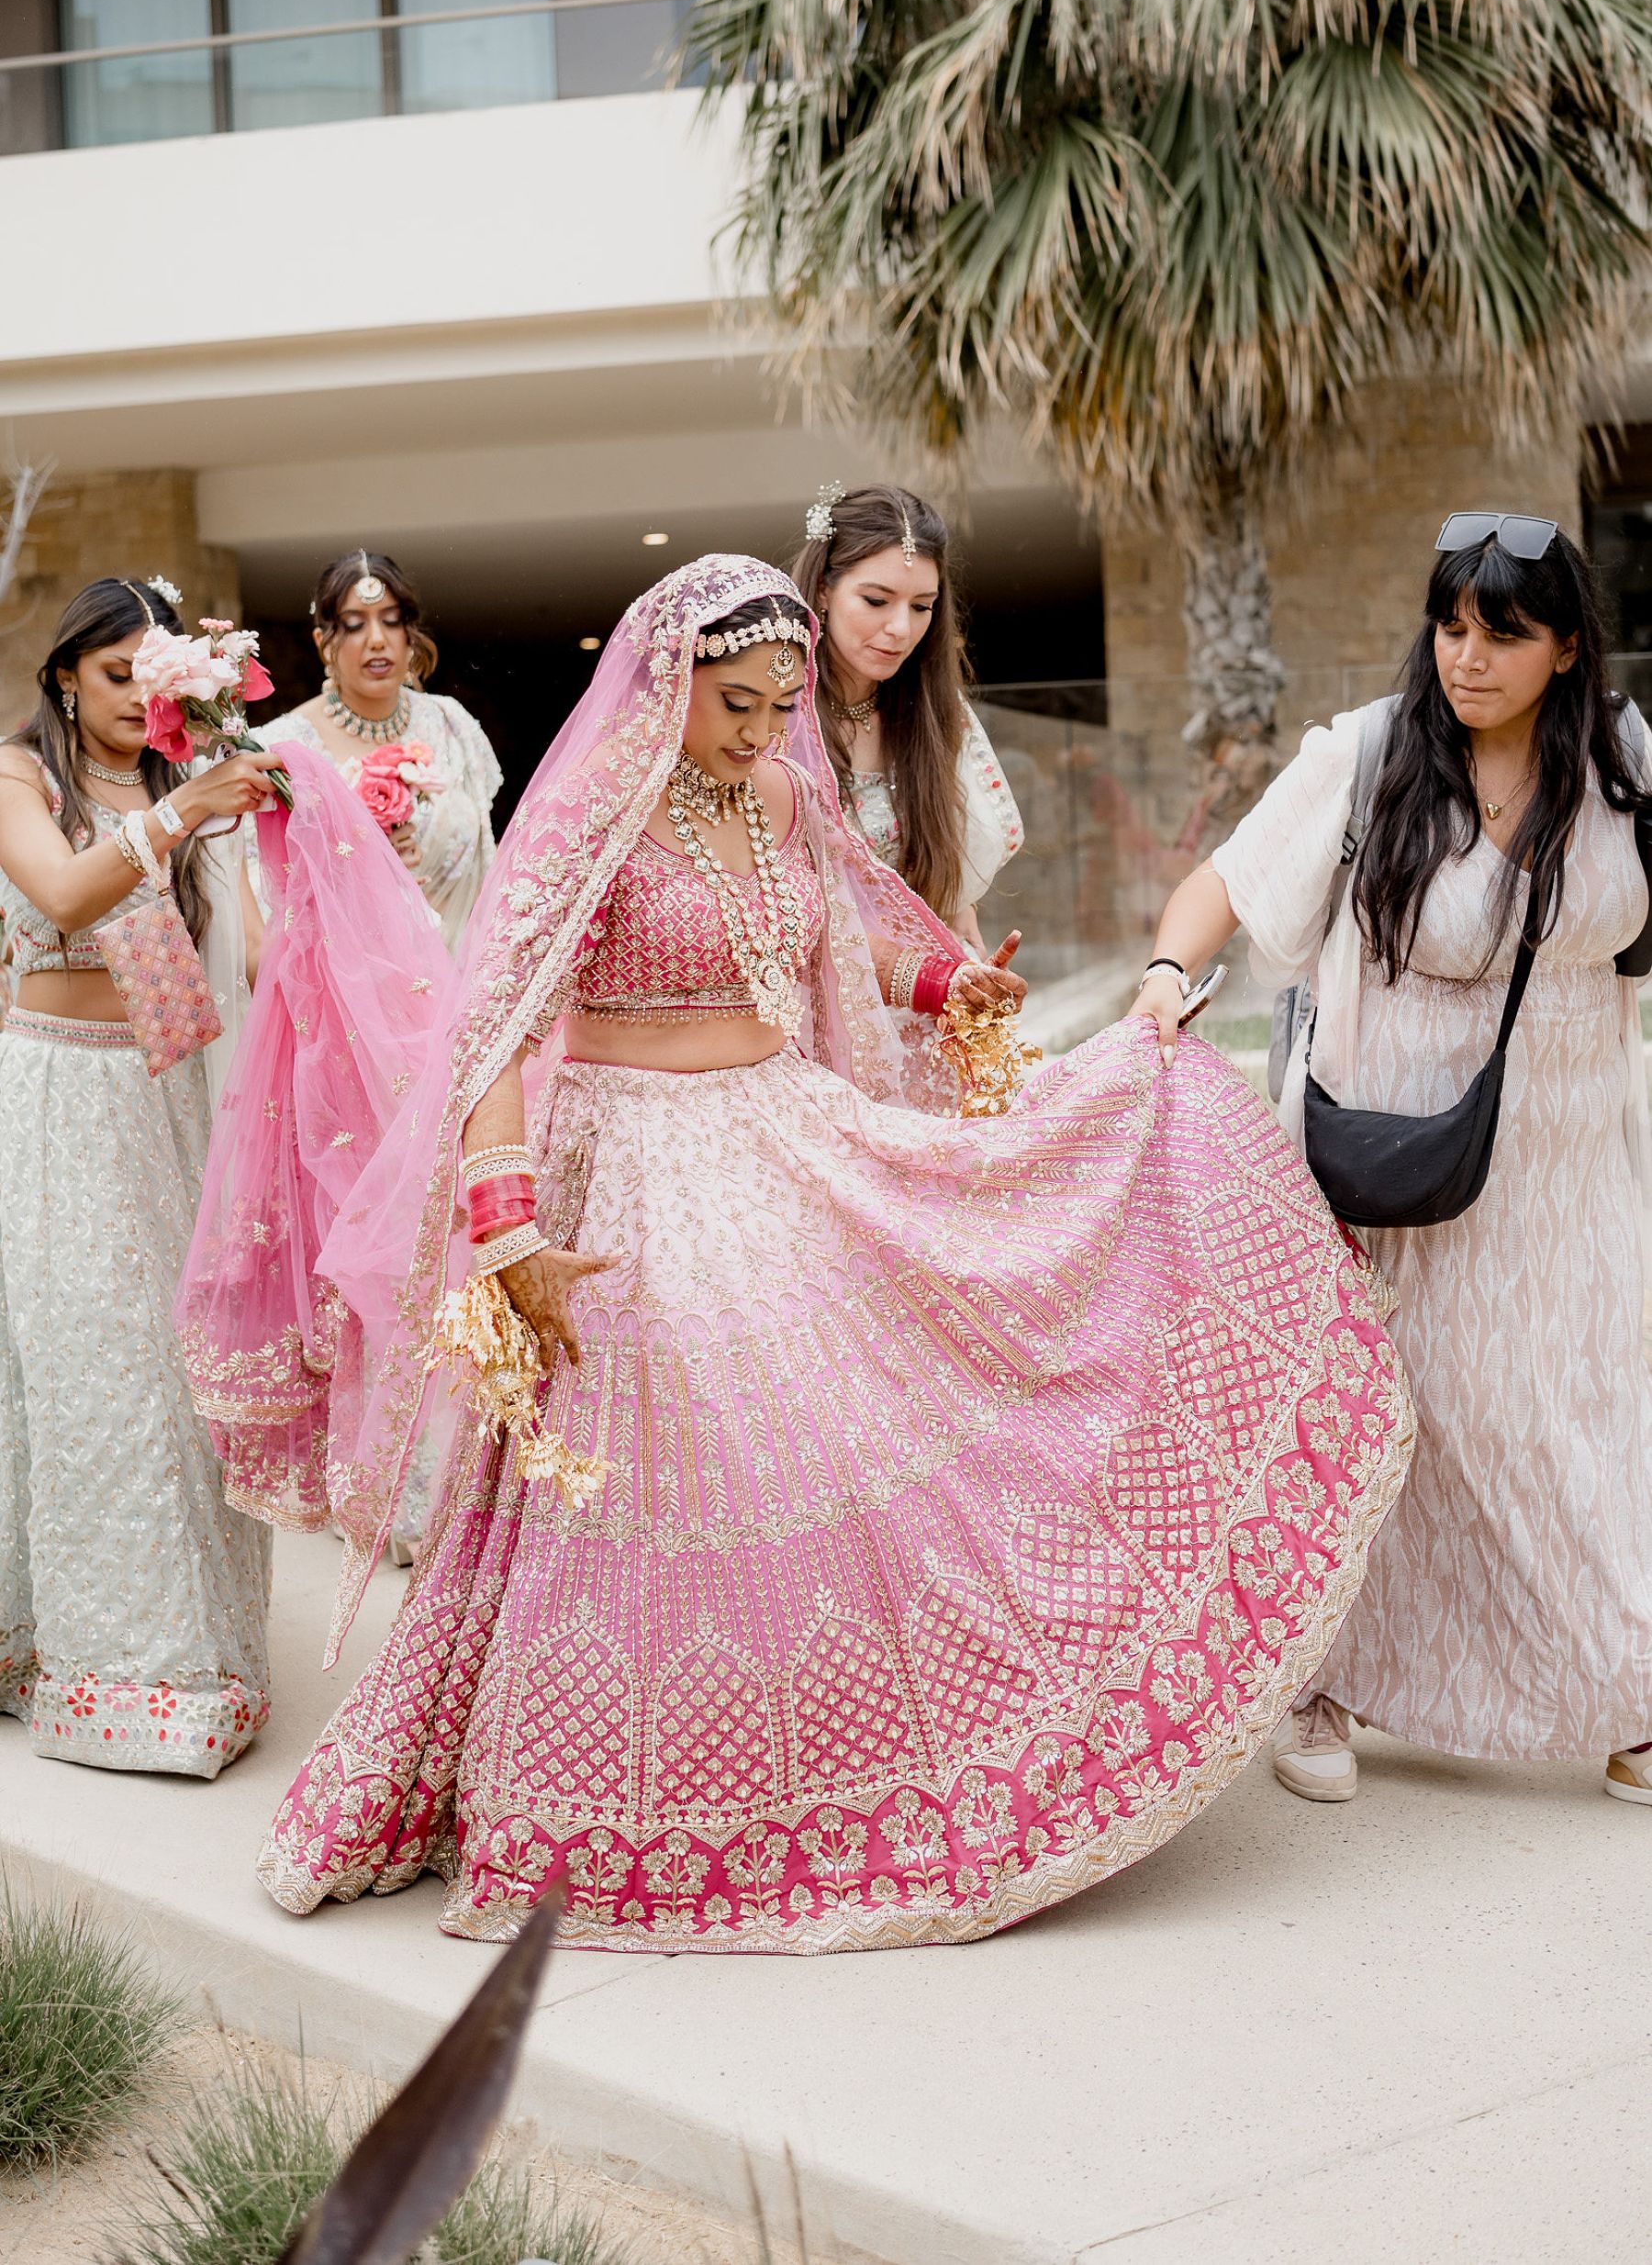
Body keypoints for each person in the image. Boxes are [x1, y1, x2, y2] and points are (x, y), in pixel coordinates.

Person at [252, 554, 1412, 1950]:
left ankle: (886, 1767)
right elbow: (499, 1024)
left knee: (875, 1433)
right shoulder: (586, 826)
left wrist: (940, 977)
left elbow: (828, 937)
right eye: (734, 702)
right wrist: (510, 1229)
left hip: (778, 1128)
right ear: (669, 680)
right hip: (630, 1170)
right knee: (703, 1469)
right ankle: (648, 1803)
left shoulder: (783, 797)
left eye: (778, 703)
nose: (758, 729)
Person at [1130, 515, 1652, 1805]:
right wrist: (1156, 980)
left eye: (1504, 633)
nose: (1467, 657)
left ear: (1568, 646)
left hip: (1578, 1146)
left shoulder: (1624, 758)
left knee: (1577, 1416)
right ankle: (1326, 1677)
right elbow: (1228, 883)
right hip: (1399, 1139)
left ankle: (1626, 1685)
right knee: (1395, 1416)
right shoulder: (1369, 753)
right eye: (1451, 625)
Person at [0, 578, 284, 1776]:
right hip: (62, 1091)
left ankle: (199, 1653)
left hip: (169, 1089)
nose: (132, 700)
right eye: (116, 675)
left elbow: (250, 936)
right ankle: (100, 1664)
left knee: (183, 1367)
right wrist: (182, 816)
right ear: (67, 671)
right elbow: (63, 893)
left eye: (153, 678)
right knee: (91, 1363)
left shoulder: (181, 777)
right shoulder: (24, 774)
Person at [794, 484, 1022, 953]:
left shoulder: (937, 715)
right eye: (877, 601)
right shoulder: (774, 715)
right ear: (823, 589)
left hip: (923, 990)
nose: (901, 629)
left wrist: (960, 923)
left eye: (921, 607)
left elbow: (951, 895)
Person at [261, 549, 501, 954]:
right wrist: (360, 870)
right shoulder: (286, 747)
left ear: (409, 635)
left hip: (461, 978)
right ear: (324, 644)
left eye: (392, 622)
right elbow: (266, 894)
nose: (377, 640)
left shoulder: (449, 724)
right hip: (349, 985)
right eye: (355, 626)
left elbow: (487, 862)